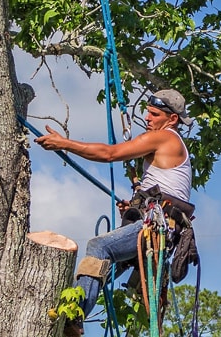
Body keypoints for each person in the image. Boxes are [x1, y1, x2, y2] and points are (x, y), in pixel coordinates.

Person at [33, 89, 194, 335]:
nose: (148, 119)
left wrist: (63, 144)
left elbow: (110, 154)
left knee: (99, 247)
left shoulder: (165, 137)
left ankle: (73, 319)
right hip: (156, 224)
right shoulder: (170, 142)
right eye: (148, 113)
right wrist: (135, 206)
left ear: (172, 119)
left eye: (154, 114)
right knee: (99, 270)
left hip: (156, 227)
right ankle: (64, 306)